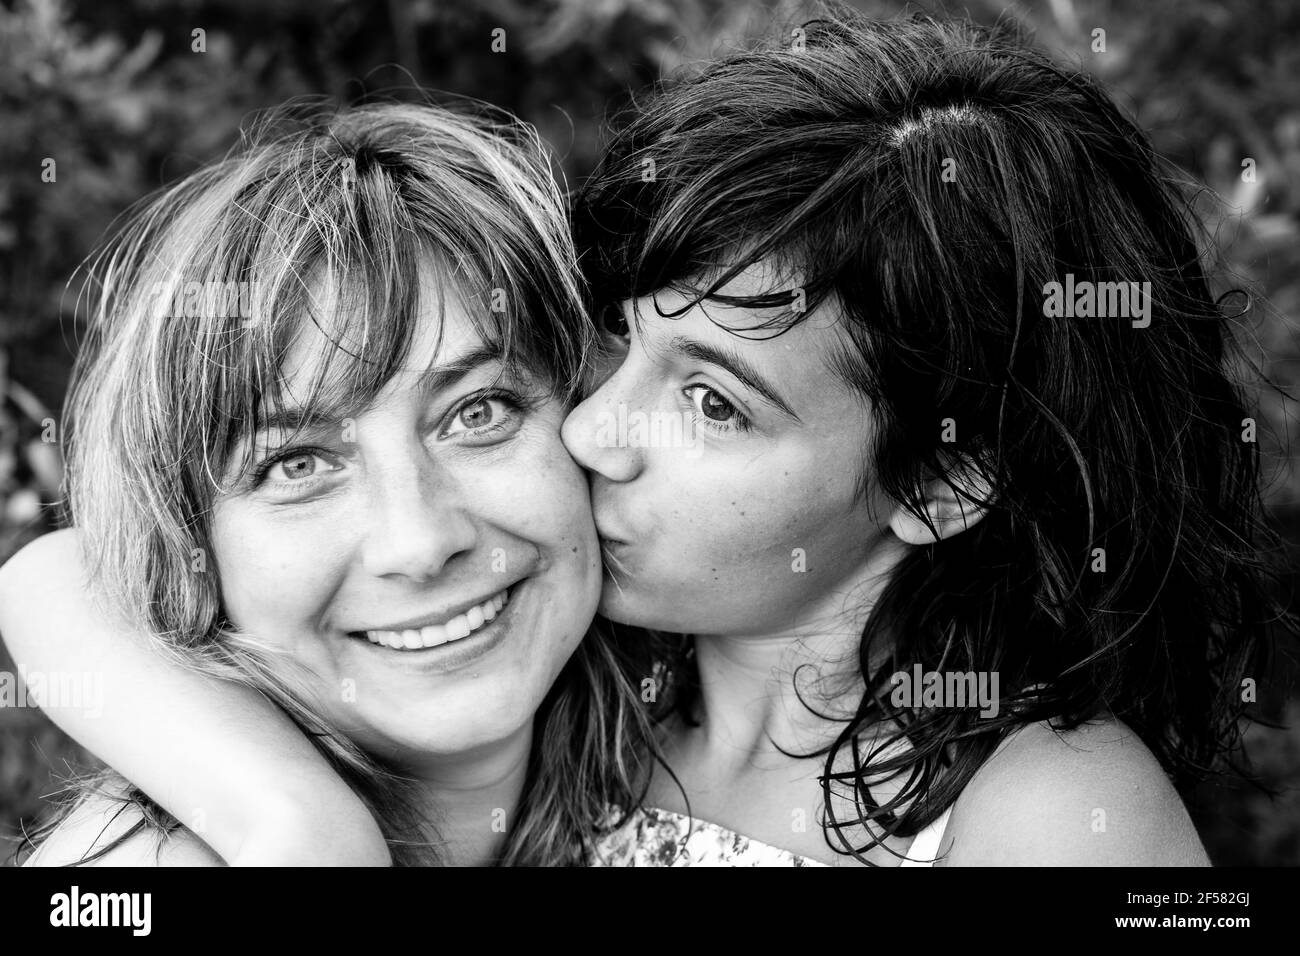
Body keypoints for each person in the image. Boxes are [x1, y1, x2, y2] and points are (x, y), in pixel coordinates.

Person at [2, 12, 1283, 865]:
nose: (601, 431)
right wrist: (291, 822)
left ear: (941, 480)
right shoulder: (576, 679)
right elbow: (65, 577)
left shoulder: (1043, 809)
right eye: (617, 345)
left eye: (715, 402)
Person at [0, 100, 651, 866]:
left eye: (478, 412)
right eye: (298, 466)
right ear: (188, 545)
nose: (420, 542)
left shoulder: (697, 714)